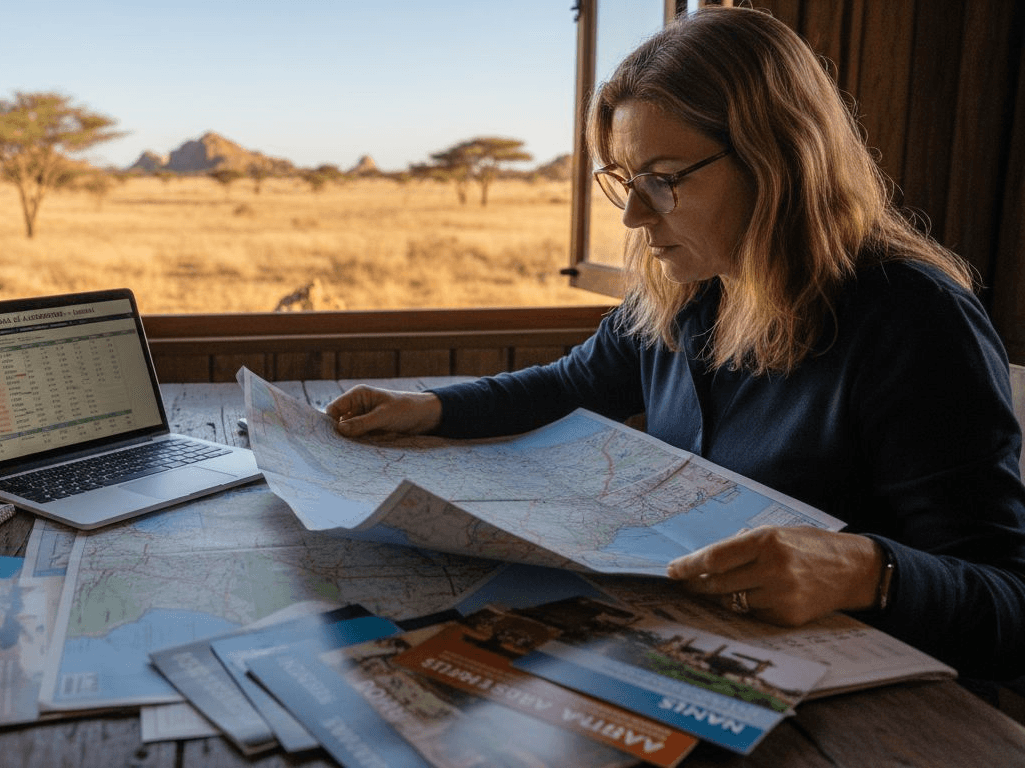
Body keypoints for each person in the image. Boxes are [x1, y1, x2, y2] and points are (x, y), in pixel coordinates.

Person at [324, 6, 1025, 681]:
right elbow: (570, 384)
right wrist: (426, 407)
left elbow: (1008, 603)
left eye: (662, 180)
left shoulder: (913, 319)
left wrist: (869, 572)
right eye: (626, 181)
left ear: (776, 160)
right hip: (691, 645)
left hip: (870, 705)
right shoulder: (690, 289)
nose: (633, 216)